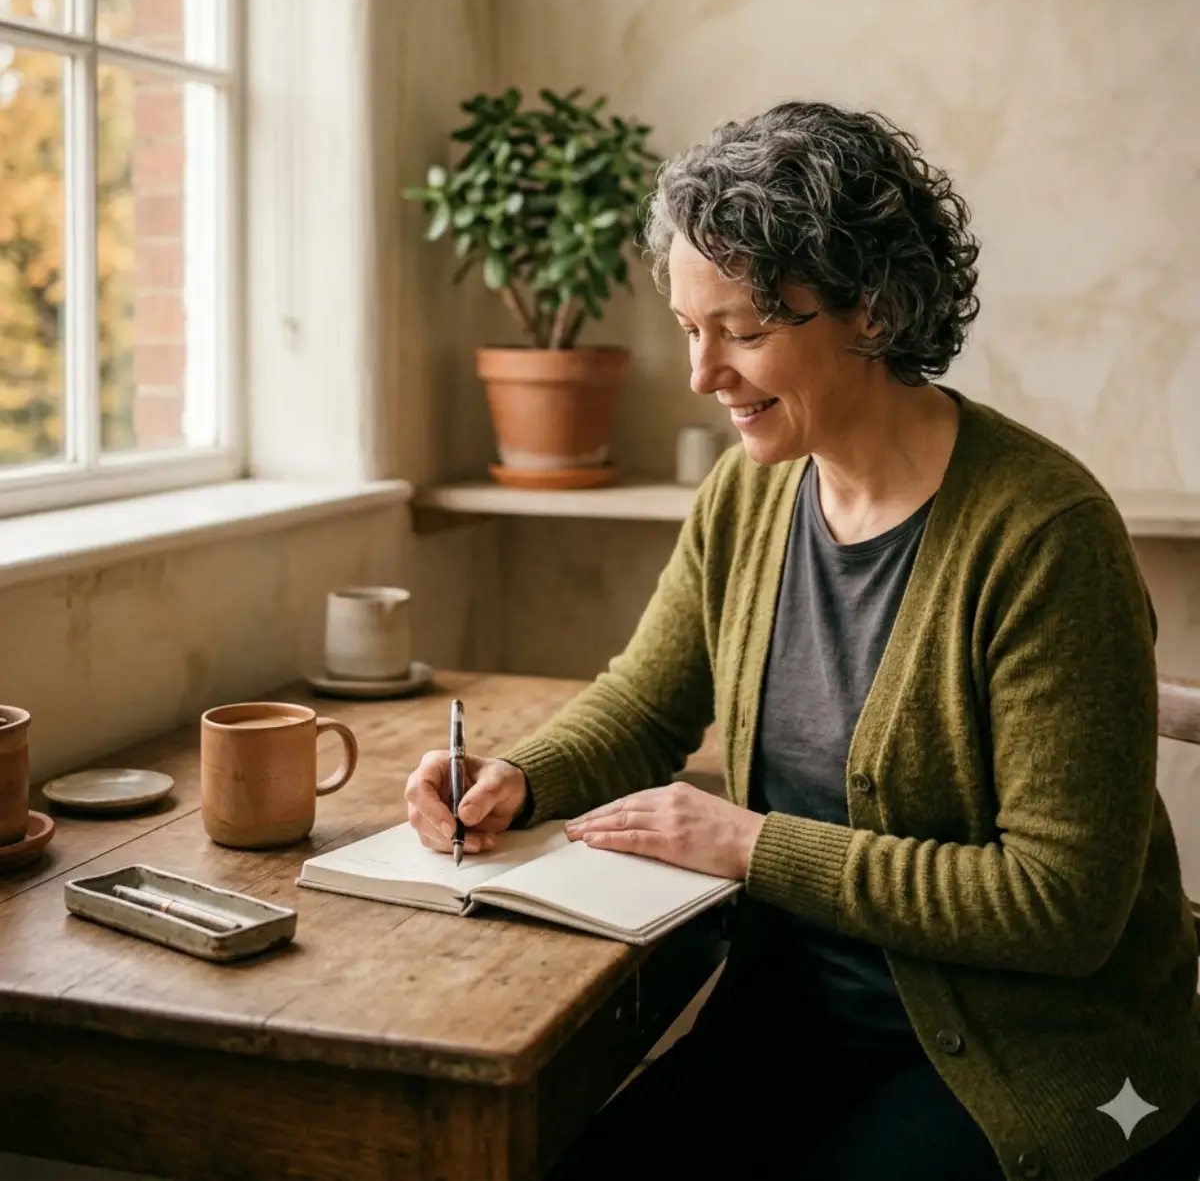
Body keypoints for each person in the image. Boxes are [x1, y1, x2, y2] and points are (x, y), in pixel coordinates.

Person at [405, 102, 1200, 1180]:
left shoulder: (1046, 536)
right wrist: (516, 774)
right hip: (793, 1025)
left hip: (1027, 1054)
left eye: (741, 329)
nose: (702, 373)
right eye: (691, 329)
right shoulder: (750, 491)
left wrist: (750, 844)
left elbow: (1059, 906)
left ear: (870, 310)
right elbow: (647, 699)